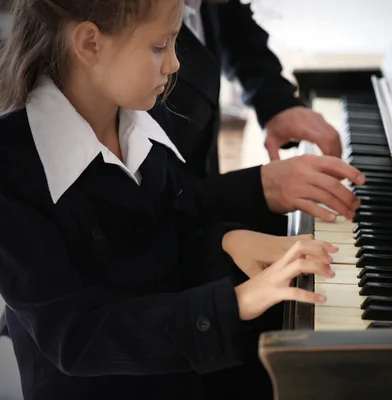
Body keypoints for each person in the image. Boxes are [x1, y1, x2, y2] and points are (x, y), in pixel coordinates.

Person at [0, 1, 337, 399]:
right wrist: (235, 302)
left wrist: (228, 241)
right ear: (90, 43)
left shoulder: (149, 115)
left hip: (182, 370)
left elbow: (170, 235)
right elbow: (76, 338)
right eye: (161, 46)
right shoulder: (13, 168)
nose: (176, 64)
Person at [163, 0, 365, 235]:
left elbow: (236, 32)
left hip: (202, 213)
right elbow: (146, 212)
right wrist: (257, 188)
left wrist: (276, 103)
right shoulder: (131, 27)